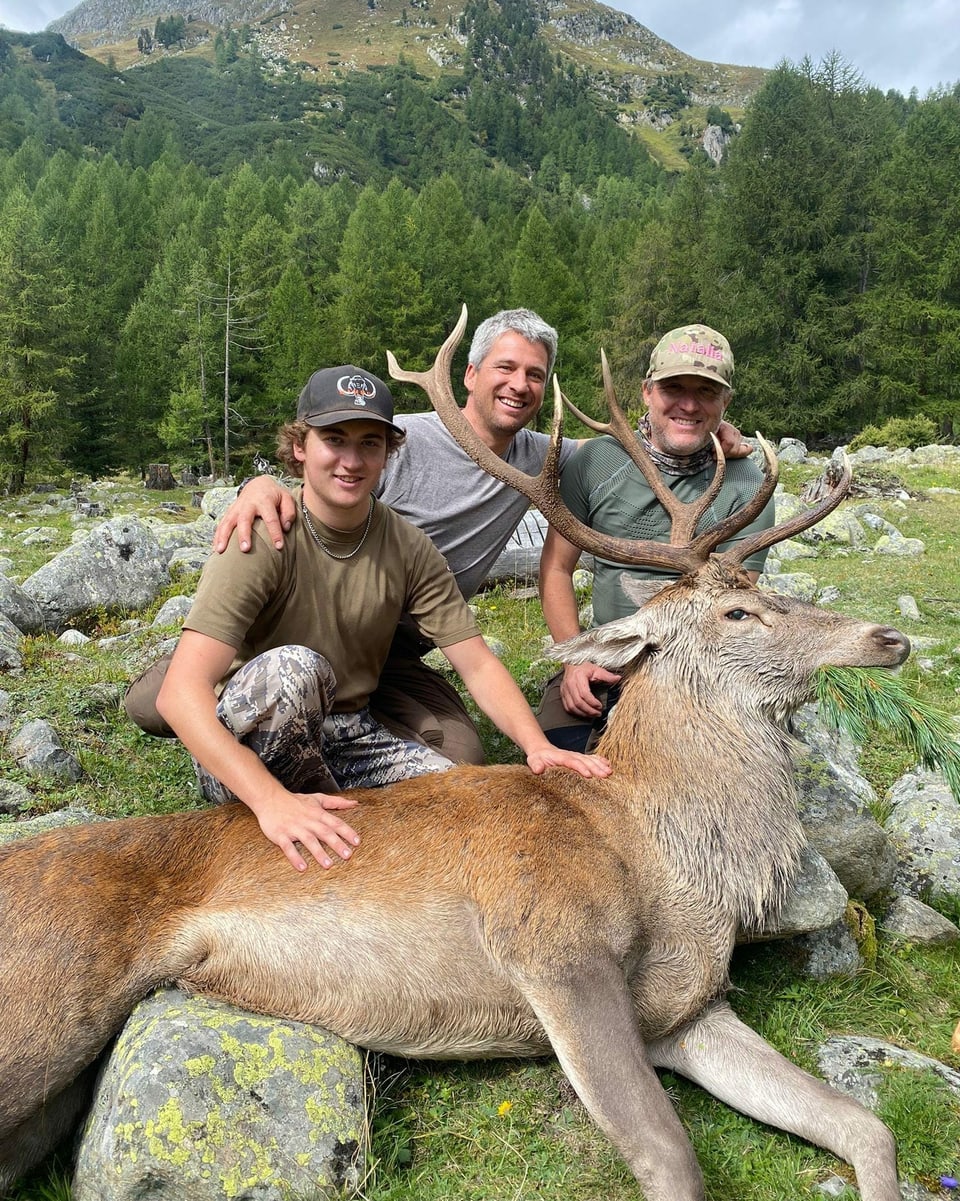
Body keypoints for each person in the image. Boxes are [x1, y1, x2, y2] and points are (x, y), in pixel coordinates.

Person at [215, 310, 754, 765]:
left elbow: (620, 454)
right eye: (506, 367)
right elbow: (328, 476)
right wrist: (258, 484)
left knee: (461, 756)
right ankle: (230, 691)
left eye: (535, 375)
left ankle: (345, 724)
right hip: (311, 629)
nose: (520, 384)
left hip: (402, 648)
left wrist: (713, 437)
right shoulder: (397, 443)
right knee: (159, 702)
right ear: (470, 374)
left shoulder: (546, 457)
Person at [152, 365, 610, 873]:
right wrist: (269, 802)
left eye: (370, 444)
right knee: (295, 670)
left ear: (388, 454)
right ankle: (272, 811)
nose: (352, 461)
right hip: (256, 736)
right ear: (300, 446)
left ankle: (325, 810)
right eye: (334, 440)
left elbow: (476, 663)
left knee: (465, 798)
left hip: (348, 732)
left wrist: (536, 746)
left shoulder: (407, 546)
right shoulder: (262, 535)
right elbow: (180, 692)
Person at [536, 322, 777, 752]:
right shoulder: (595, 462)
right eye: (673, 388)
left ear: (726, 401)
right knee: (559, 769)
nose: (688, 404)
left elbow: (733, 604)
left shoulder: (748, 485)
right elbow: (556, 568)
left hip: (698, 667)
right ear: (647, 391)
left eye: (706, 391)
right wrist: (575, 659)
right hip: (605, 657)